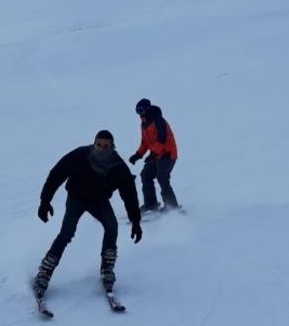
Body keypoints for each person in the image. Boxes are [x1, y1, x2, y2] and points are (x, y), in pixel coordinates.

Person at [32, 130, 142, 302]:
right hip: (76, 197)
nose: (102, 149)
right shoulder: (81, 155)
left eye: (106, 146)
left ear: (112, 147)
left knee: (112, 226)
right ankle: (45, 272)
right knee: (67, 233)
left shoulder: (118, 167)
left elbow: (129, 194)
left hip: (99, 201)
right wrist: (45, 202)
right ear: (94, 144)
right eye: (99, 145)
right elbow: (57, 174)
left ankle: (107, 269)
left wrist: (135, 221)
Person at [128, 98, 180, 212]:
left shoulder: (158, 120)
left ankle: (172, 206)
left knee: (162, 177)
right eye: (137, 111)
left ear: (147, 109)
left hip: (167, 155)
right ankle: (151, 204)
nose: (139, 113)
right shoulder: (144, 123)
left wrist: (153, 154)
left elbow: (162, 139)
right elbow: (145, 142)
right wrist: (137, 155)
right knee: (145, 175)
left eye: (140, 110)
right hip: (156, 155)